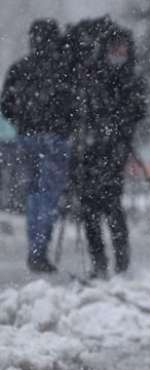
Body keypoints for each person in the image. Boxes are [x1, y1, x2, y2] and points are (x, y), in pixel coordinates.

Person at [1, 19, 74, 273]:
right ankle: (39, 250)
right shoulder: (63, 69)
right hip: (54, 138)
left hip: (26, 138)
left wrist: (23, 120)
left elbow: (6, 106)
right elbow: (74, 107)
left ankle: (36, 247)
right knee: (48, 195)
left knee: (34, 194)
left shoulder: (19, 69)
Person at [73, 24, 146, 278]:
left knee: (111, 204)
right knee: (89, 207)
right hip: (92, 148)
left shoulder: (131, 78)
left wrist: (118, 127)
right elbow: (83, 110)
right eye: (114, 47)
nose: (118, 52)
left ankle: (121, 260)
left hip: (116, 148)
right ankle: (99, 261)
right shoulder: (94, 75)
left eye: (121, 47)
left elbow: (138, 111)